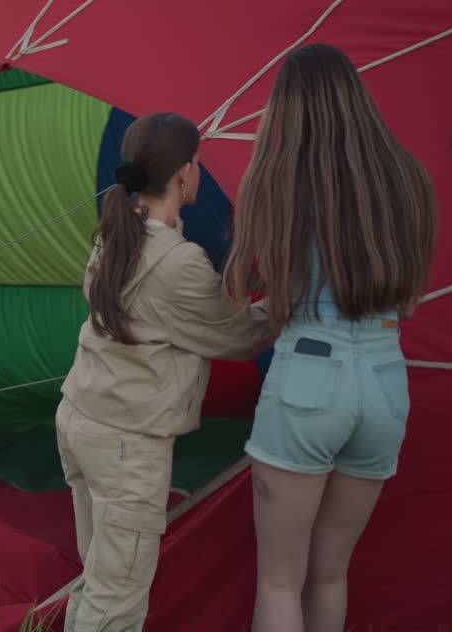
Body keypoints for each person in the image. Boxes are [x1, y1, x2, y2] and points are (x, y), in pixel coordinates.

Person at [223, 43, 437, 632]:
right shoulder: (409, 178)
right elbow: (410, 296)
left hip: (309, 374)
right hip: (386, 380)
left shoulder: (275, 177)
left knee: (279, 581)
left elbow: (254, 286)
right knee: (331, 574)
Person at [56, 112, 275, 632]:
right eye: (198, 163)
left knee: (98, 579)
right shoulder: (177, 261)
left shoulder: (114, 232)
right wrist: (289, 299)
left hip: (81, 419)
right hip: (126, 445)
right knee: (117, 601)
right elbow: (238, 335)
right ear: (184, 174)